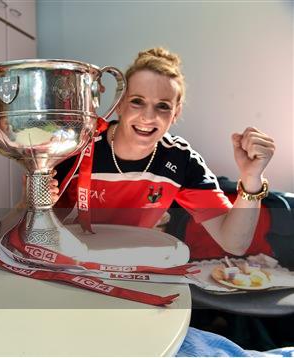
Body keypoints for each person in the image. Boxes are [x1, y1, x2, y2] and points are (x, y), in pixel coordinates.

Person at [52, 48, 290, 356]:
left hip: (135, 282)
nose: (148, 116)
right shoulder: (78, 146)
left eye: (162, 106)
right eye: (137, 101)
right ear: (121, 104)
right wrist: (37, 197)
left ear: (175, 114)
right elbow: (35, 228)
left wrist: (251, 178)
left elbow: (234, 242)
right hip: (74, 278)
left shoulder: (181, 160)